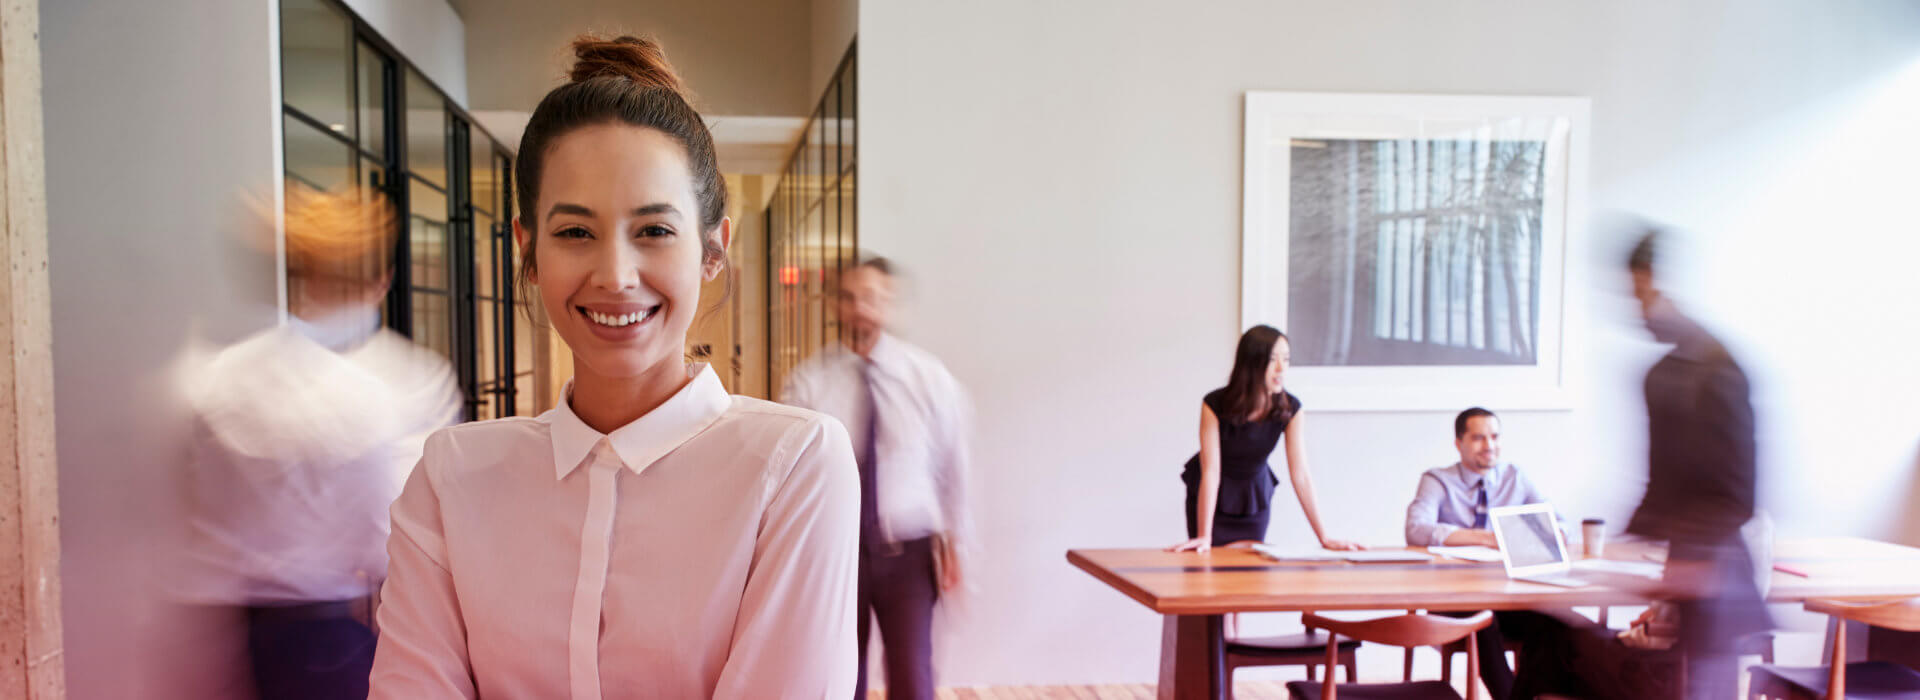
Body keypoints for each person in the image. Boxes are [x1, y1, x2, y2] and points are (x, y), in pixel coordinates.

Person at [368, 35, 860, 698]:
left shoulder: (793, 464)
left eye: (654, 231)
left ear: (712, 250)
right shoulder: (453, 477)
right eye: (575, 232)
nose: (615, 275)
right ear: (529, 250)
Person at [180, 184, 461, 700]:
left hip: (223, 629)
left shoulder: (217, 378)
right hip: (335, 634)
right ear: (382, 282)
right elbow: (400, 533)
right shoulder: (393, 389)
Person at [1509, 230, 1769, 700]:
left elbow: (1738, 497)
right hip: (1684, 594)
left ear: (1658, 281)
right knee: (1547, 644)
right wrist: (1617, 556)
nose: (1636, 307)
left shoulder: (1716, 370)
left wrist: (1686, 569)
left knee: (1558, 656)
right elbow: (1661, 488)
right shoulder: (1661, 375)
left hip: (1714, 598)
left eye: (1639, 292)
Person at [780, 256, 971, 700]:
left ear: (889, 304)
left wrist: (958, 544)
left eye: (871, 297)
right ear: (833, 305)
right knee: (841, 671)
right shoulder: (807, 383)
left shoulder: (928, 379)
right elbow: (793, 477)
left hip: (910, 552)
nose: (859, 308)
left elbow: (952, 469)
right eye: (848, 297)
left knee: (913, 673)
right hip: (836, 549)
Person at [1404, 407, 1559, 700]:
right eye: (1478, 438)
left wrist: (1547, 533)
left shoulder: (1515, 477)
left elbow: (1557, 524)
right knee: (1483, 619)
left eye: (1494, 436)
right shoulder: (1438, 480)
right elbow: (1416, 529)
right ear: (1458, 443)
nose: (1489, 445)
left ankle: (1526, 694)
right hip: (1454, 599)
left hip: (1507, 596)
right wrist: (1488, 538)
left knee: (1551, 620)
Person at [1169, 325, 1358, 553]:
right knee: (1209, 568)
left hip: (1254, 498)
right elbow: (1211, 471)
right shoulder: (1214, 404)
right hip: (1211, 499)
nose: (1281, 368)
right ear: (1251, 364)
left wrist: (1324, 537)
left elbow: (1300, 475)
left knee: (1250, 571)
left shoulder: (1291, 409)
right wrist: (1204, 536)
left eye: (1286, 359)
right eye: (1272, 360)